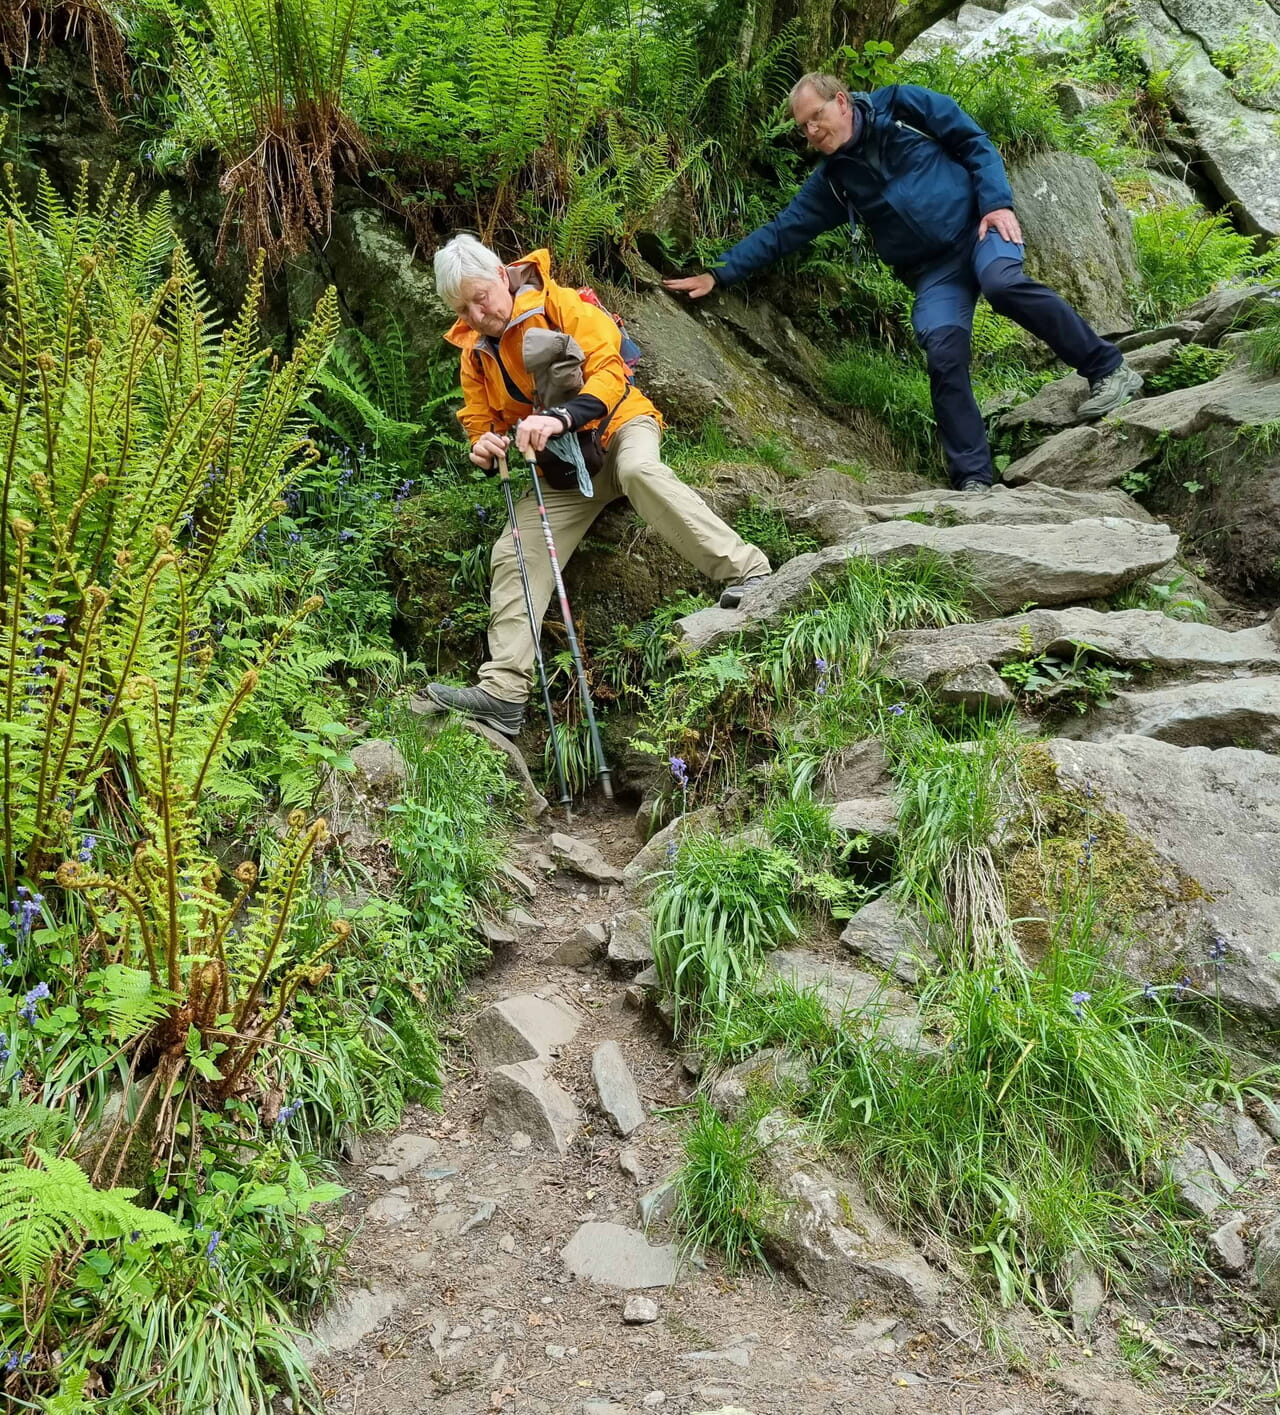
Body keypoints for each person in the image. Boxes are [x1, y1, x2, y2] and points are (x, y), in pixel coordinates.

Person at [664, 73, 1143, 492]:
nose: (811, 131)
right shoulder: (834, 180)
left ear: (842, 102)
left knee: (1002, 284)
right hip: (933, 272)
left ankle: (1108, 369)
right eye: (802, 126)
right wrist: (718, 273)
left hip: (980, 228)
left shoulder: (903, 106)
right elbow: (782, 231)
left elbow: (974, 142)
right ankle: (974, 477)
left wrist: (997, 203)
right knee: (942, 346)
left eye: (816, 117)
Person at [422, 234, 771, 737]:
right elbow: (480, 419)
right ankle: (503, 692)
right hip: (562, 471)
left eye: (481, 298)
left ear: (501, 275)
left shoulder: (564, 305)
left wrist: (561, 416)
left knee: (639, 472)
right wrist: (483, 447)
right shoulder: (473, 352)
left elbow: (610, 373)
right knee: (517, 547)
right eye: (462, 307)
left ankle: (751, 573)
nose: (476, 315)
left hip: (621, 428)